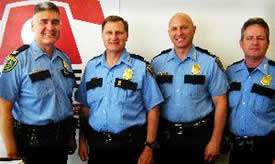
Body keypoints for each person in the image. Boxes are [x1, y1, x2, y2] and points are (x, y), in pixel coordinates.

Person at [75, 15, 164, 164]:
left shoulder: (141, 68)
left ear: (126, 36)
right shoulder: (91, 67)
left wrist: (149, 147)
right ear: (102, 35)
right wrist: (83, 141)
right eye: (109, 32)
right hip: (97, 147)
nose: (113, 37)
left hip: (131, 148)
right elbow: (85, 109)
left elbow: (154, 108)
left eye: (119, 32)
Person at [0, 2, 76, 164]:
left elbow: (66, 100)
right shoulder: (18, 60)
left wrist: (70, 136)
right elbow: (4, 110)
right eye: (43, 21)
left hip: (60, 144)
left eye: (55, 22)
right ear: (33, 26)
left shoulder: (64, 59)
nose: (50, 27)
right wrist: (12, 153)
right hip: (29, 146)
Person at [151, 12, 228, 164]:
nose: (179, 33)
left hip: (200, 138)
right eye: (174, 29)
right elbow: (151, 105)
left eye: (184, 28)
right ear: (169, 33)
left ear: (194, 29)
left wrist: (215, 141)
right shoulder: (157, 63)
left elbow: (221, 102)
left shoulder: (209, 62)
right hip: (166, 138)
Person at [225, 17, 275, 164]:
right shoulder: (230, 73)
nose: (255, 42)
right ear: (241, 43)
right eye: (250, 38)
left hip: (266, 151)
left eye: (260, 38)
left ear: (268, 43)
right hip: (234, 151)